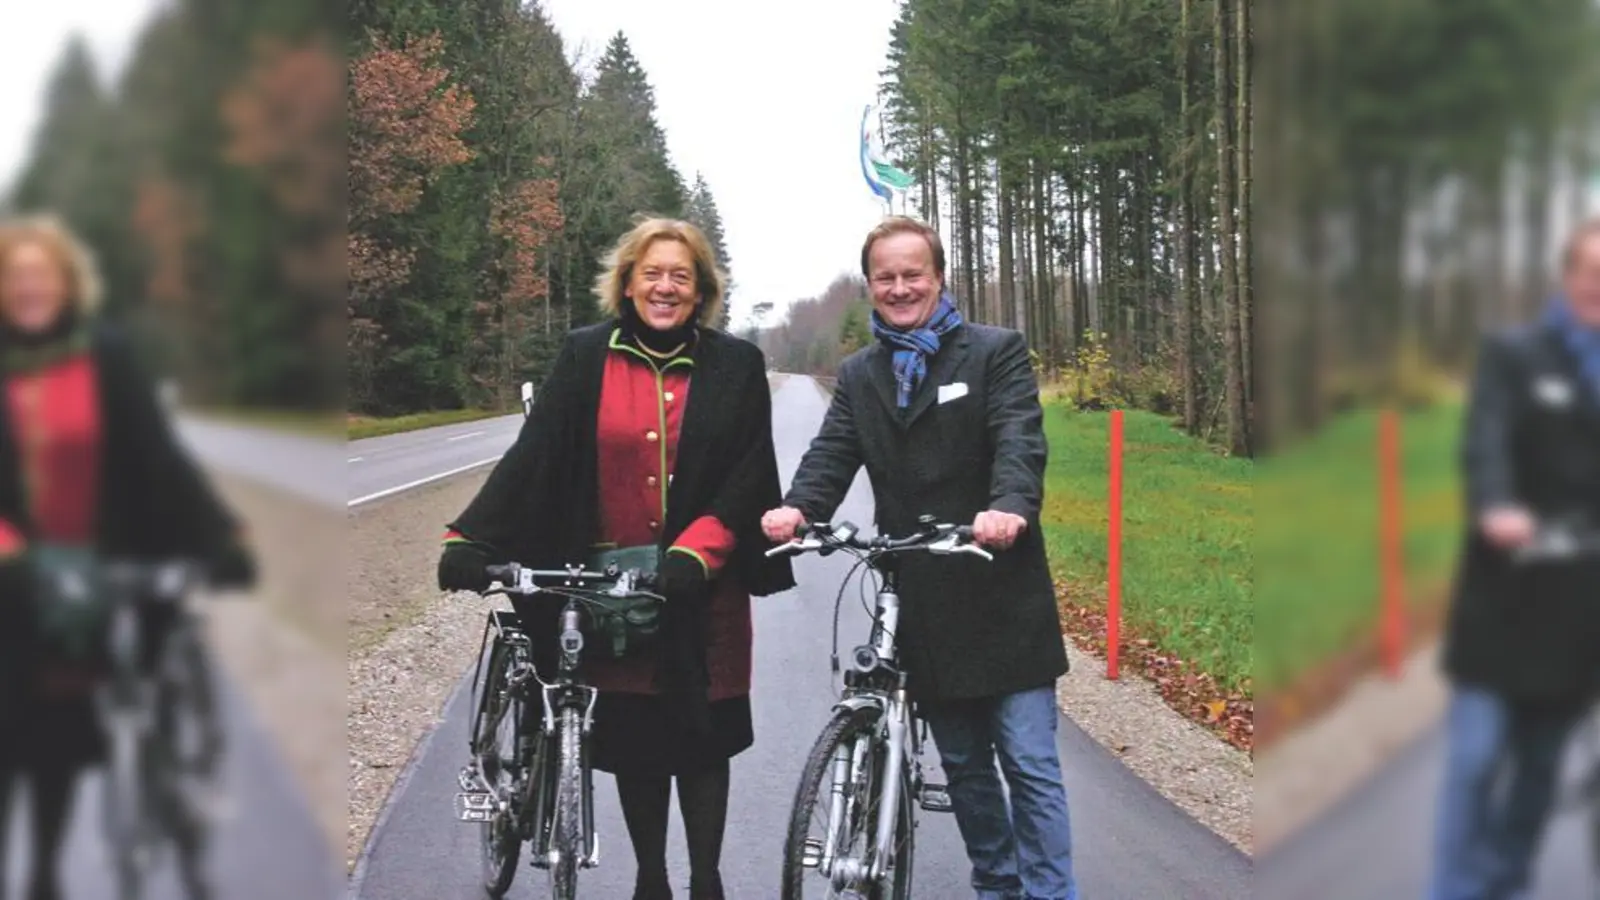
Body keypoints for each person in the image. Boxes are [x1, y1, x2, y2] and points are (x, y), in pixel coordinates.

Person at [436, 217, 795, 900]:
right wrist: (471, 538)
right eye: (651, 273)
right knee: (638, 738)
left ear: (701, 291)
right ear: (627, 283)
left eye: (680, 276)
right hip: (610, 589)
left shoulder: (736, 366)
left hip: (700, 582)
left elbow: (747, 476)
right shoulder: (585, 355)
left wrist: (700, 551)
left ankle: (708, 882)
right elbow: (537, 453)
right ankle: (652, 881)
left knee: (703, 734)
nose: (665, 286)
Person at [763, 216, 1079, 900]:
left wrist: (1009, 511)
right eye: (886, 277)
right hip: (924, 598)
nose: (901, 287)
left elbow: (1019, 442)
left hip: (1002, 589)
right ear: (871, 285)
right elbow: (831, 454)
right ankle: (998, 884)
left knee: (1028, 763)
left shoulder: (994, 352)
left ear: (937, 278)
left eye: (913, 274)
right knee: (963, 766)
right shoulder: (860, 374)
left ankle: (1052, 895)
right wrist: (800, 509)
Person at [0, 213, 256, 900]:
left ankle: (140, 814)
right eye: (15, 276)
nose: (29, 288)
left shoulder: (104, 354)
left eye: (41, 275)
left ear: (66, 283)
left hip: (116, 556)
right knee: (16, 725)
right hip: (17, 572)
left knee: (75, 720)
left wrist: (219, 534)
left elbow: (157, 454)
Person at [1427, 218, 1600, 900]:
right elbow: (1487, 441)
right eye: (1590, 270)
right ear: (1568, 276)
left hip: (1576, 614)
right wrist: (1498, 505)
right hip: (1502, 603)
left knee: (1537, 773)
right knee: (1474, 762)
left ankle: (1500, 885)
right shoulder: (1514, 355)